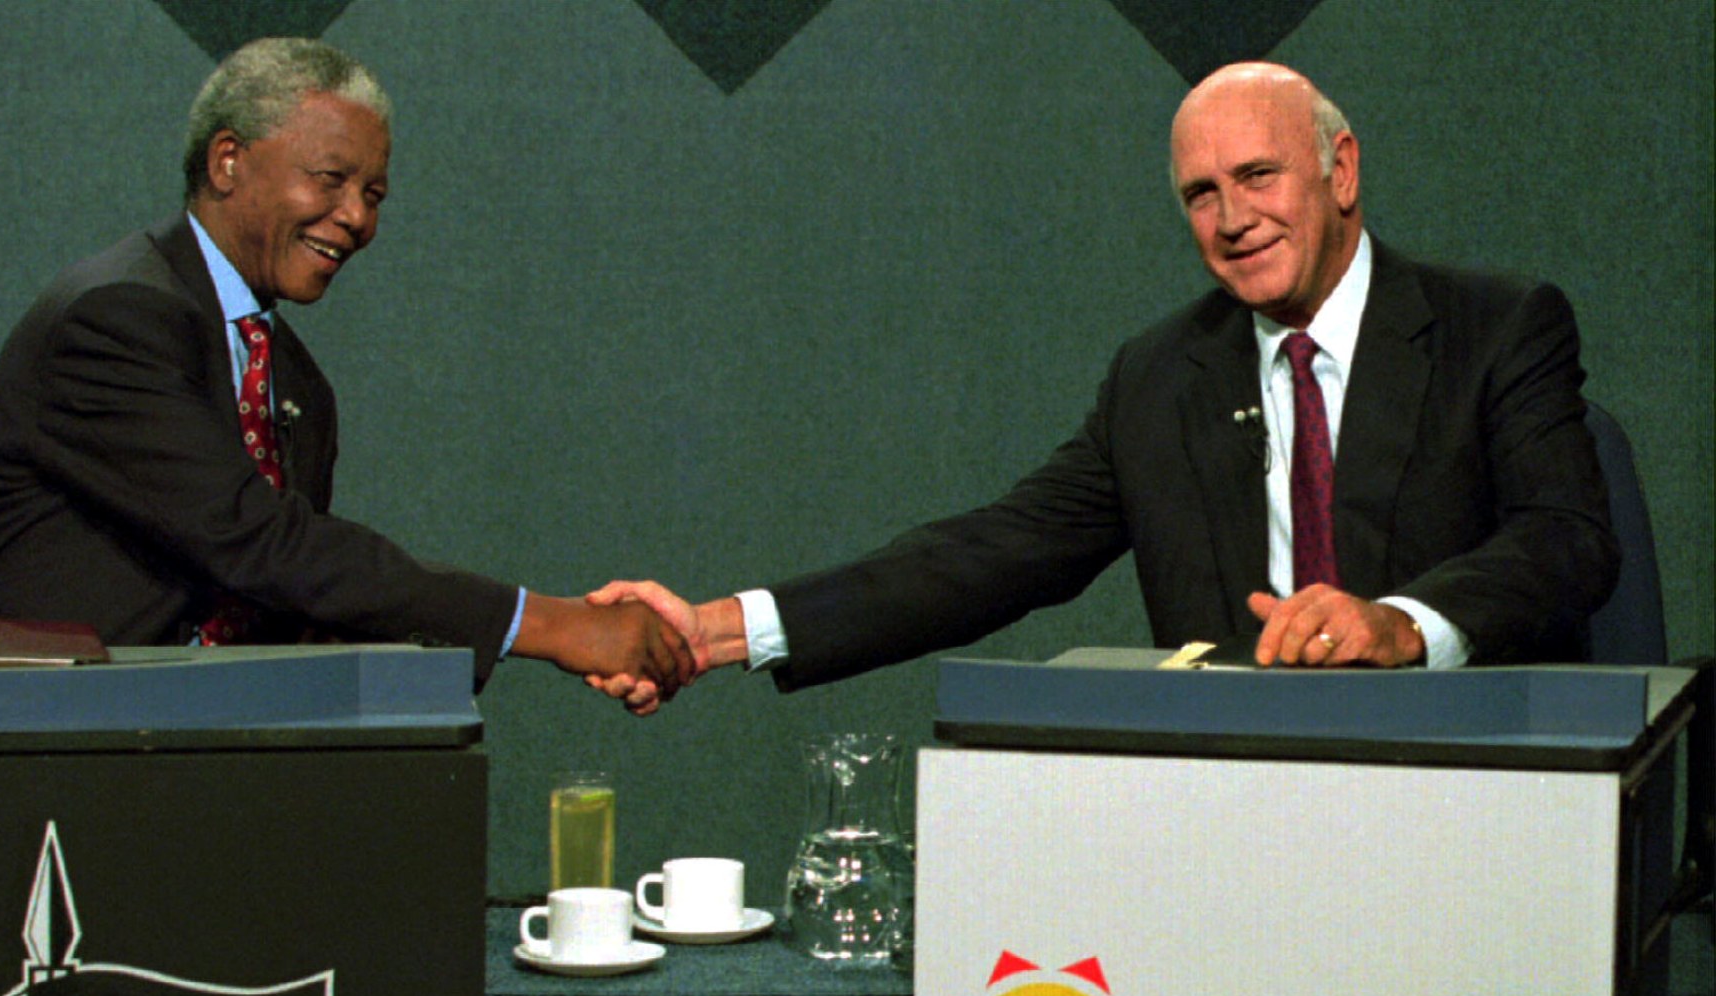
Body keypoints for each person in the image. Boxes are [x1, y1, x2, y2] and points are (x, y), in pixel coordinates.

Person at [589, 61, 1618, 710]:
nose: (1231, 218)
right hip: (1226, 807)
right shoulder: (1162, 377)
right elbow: (990, 554)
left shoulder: (1499, 325)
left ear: (1339, 170)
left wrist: (1400, 623)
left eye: (1258, 176)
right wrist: (719, 628)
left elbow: (1564, 538)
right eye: (1200, 195)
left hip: (1461, 788)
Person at [0, 38, 688, 696]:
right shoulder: (115, 319)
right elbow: (259, 546)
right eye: (329, 180)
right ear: (228, 160)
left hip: (218, 746)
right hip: (47, 746)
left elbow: (291, 604)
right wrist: (549, 625)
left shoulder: (297, 386)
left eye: (373, 195)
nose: (357, 218)